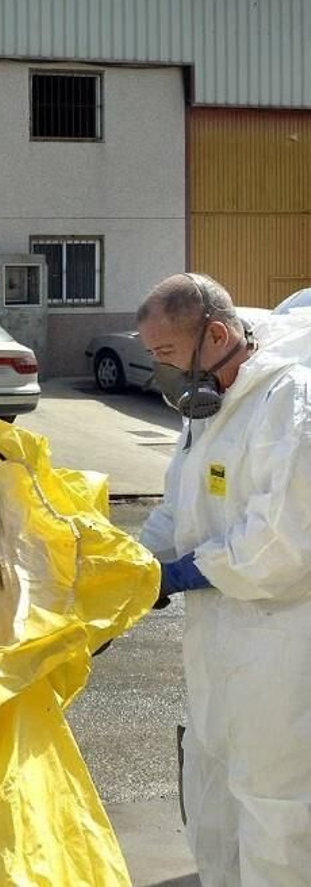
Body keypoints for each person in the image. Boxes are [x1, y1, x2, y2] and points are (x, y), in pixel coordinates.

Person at [135, 273, 311, 886]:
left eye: (165, 354)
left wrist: (185, 573)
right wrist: (130, 569)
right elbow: (178, 509)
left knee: (278, 804)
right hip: (222, 640)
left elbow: (284, 543)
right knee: (214, 788)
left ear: (215, 334)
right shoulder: (206, 407)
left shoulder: (288, 400)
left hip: (281, 644)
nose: (160, 369)